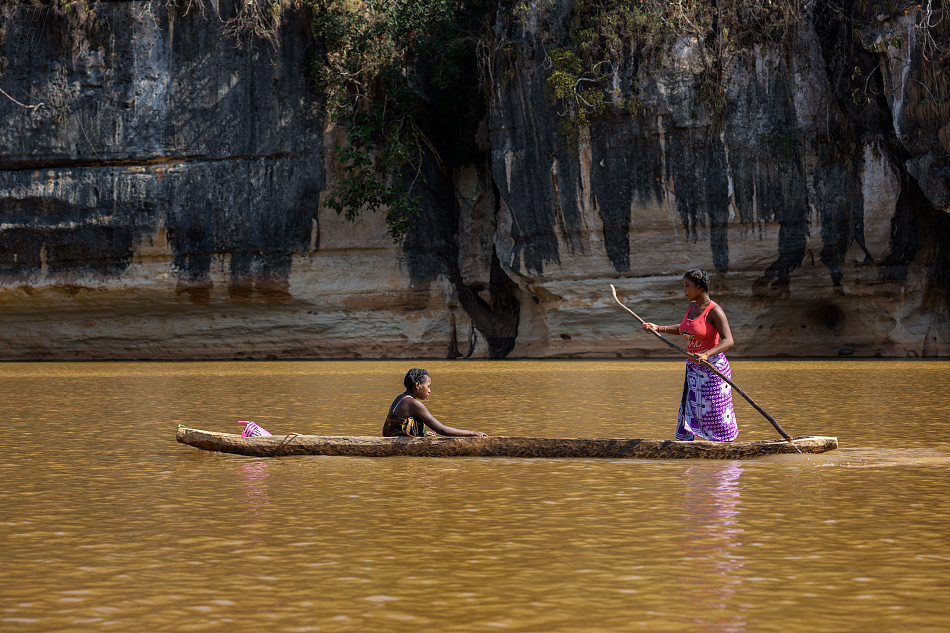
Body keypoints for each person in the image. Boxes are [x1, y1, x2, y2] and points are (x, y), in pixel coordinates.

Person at [641, 269, 738, 442]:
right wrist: (658, 328)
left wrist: (706, 354)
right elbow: (685, 329)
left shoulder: (714, 311)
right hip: (694, 369)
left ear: (700, 287)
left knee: (715, 412)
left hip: (713, 370)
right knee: (692, 408)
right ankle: (690, 447)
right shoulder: (692, 307)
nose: (684, 290)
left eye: (687, 286)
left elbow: (728, 340)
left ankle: (725, 448)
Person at [382, 368, 487, 437]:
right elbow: (442, 430)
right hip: (396, 443)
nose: (429, 390)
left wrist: (420, 433)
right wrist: (473, 433)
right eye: (428, 386)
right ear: (418, 385)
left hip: (391, 439)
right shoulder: (413, 404)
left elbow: (392, 427)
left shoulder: (399, 398)